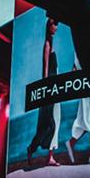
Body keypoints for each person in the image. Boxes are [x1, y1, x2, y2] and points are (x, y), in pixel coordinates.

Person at [27, 17, 61, 167]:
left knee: (55, 120)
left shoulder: (51, 43)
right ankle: (38, 150)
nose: (57, 27)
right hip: (50, 89)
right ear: (49, 26)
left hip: (55, 87)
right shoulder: (47, 45)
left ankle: (49, 156)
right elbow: (45, 71)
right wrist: (47, 90)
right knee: (49, 122)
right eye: (55, 24)